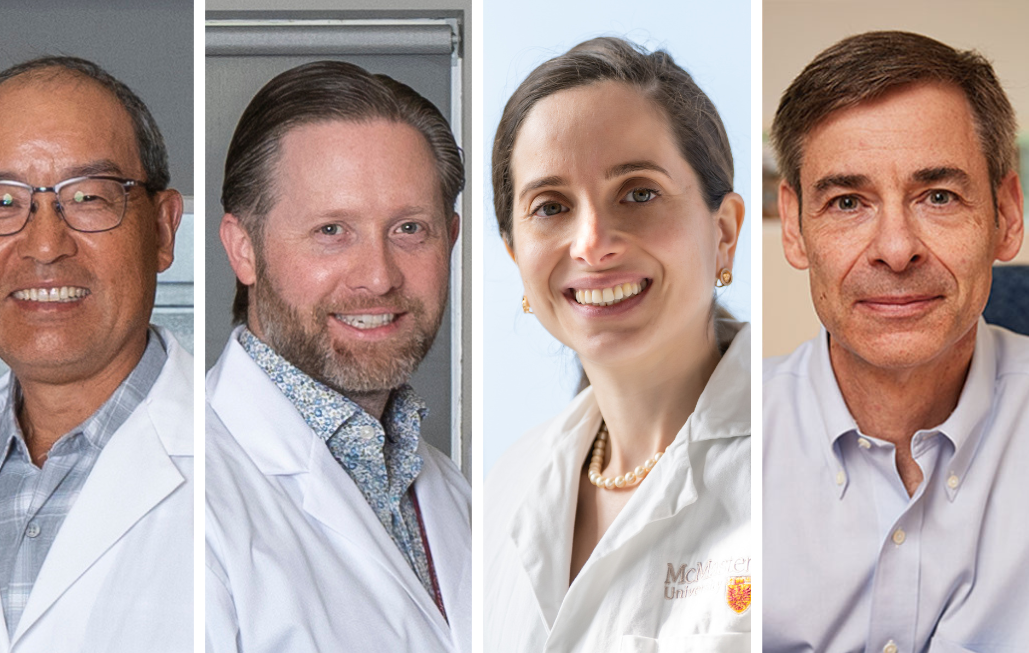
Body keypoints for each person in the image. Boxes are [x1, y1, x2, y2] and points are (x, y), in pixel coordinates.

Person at [764, 31, 1029, 652]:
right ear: (797, 230)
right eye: (848, 201)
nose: (895, 248)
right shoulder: (714, 452)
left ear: (1006, 215)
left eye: (938, 196)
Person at [484, 37, 751, 652]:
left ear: (725, 232)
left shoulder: (791, 457)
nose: (592, 243)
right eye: (551, 206)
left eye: (638, 192)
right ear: (515, 256)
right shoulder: (505, 486)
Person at [0, 57, 191, 652]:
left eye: (90, 197)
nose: (45, 245)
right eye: (0, 203)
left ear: (163, 230)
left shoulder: (252, 469)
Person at [205, 61, 470, 652]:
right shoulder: (186, 502)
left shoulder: (452, 495)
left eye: (409, 228)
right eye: (332, 231)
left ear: (450, 240)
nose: (378, 278)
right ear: (243, 249)